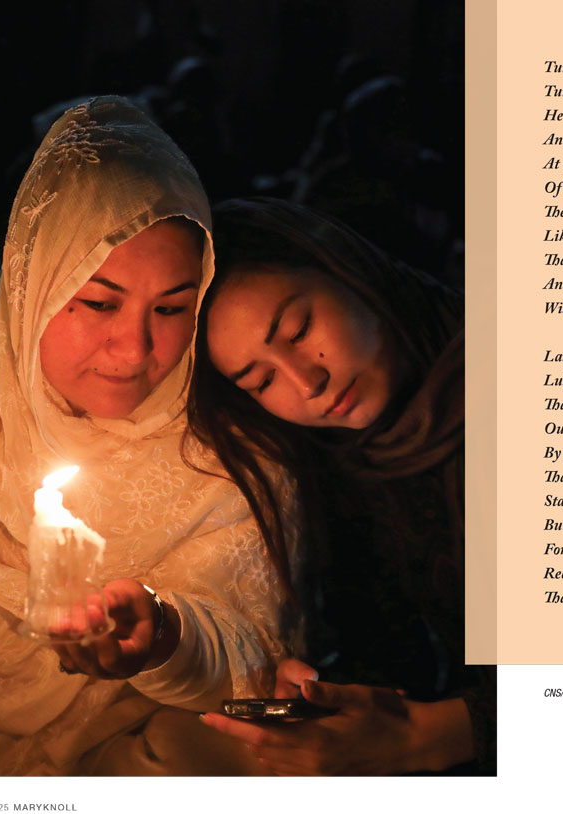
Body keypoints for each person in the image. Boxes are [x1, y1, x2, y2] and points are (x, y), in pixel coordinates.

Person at [0, 98, 293, 776]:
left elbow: (252, 661)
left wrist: (163, 638)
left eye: (172, 308)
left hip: (120, 747)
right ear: (36, 282)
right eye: (99, 302)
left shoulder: (226, 435)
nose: (136, 347)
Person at [188, 198, 494, 775]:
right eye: (262, 380)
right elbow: (388, 643)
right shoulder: (345, 467)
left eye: (300, 329)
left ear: (350, 271)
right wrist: (328, 693)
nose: (307, 383)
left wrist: (440, 735)